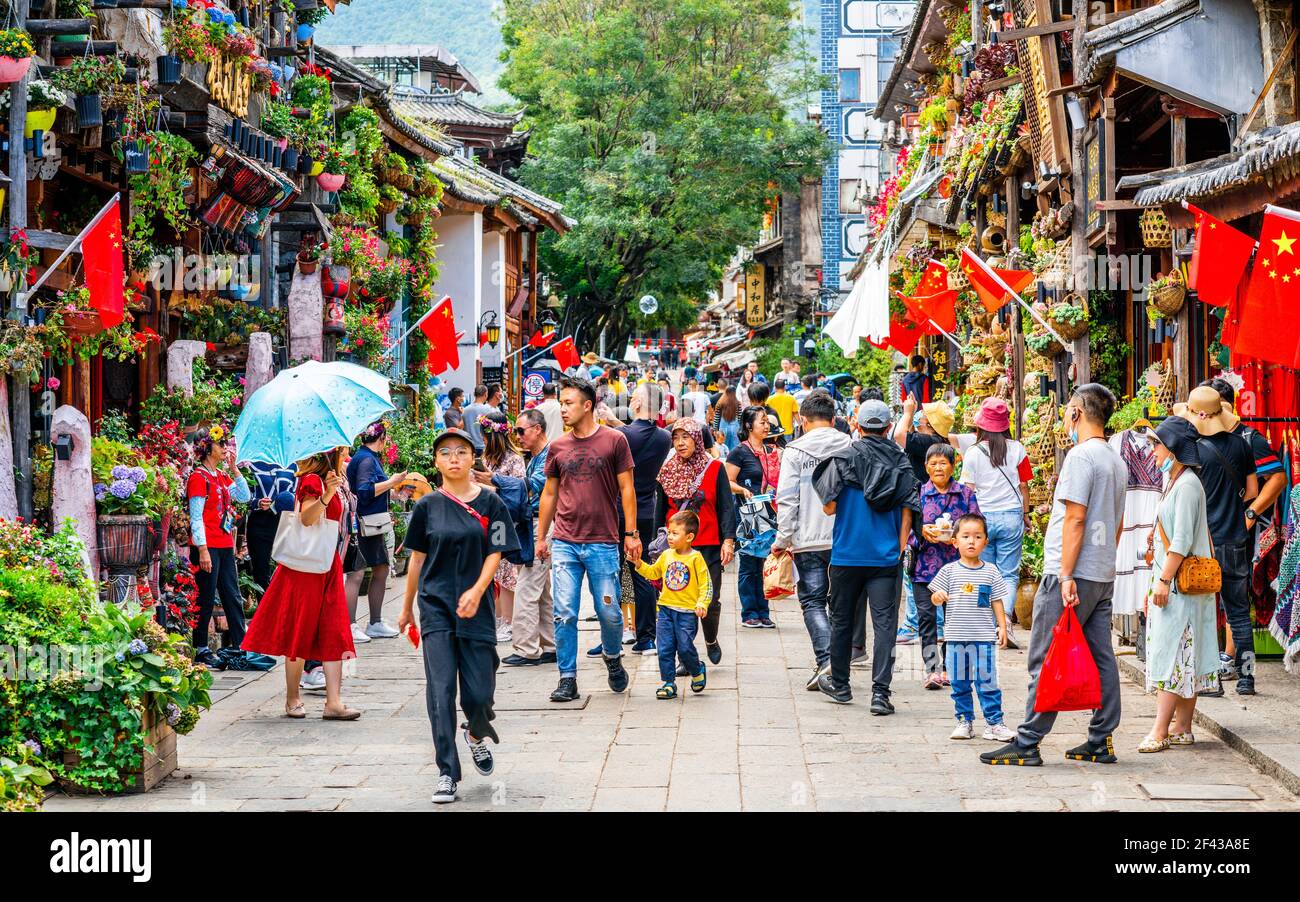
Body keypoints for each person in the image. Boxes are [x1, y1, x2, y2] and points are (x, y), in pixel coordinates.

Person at [982, 383, 1126, 766]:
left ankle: (1027, 741)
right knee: (1101, 655)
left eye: (1067, 410)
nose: (1064, 416)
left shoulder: (1081, 457)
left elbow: (1076, 517)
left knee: (1045, 656)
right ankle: (1101, 738)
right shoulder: (1115, 458)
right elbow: (1116, 521)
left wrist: (1065, 575)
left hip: (1072, 573)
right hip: (1100, 571)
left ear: (1077, 412)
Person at [398, 428, 520, 804]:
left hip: (477, 607)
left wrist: (478, 590)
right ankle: (447, 771)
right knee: (441, 691)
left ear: (473, 459)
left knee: (480, 693)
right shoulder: (426, 506)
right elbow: (416, 558)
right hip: (435, 606)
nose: (454, 458)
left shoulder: (492, 504)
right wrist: (406, 608)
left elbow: (496, 552)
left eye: (462, 451)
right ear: (436, 461)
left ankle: (475, 732)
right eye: (446, 452)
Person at [535, 374, 641, 703]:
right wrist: (542, 536)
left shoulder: (614, 440)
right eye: (562, 403)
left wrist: (631, 534)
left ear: (588, 405)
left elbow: (627, 489)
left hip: (604, 541)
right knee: (564, 612)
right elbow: (549, 493)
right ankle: (567, 677)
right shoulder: (558, 447)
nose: (562, 409)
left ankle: (612, 656)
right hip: (565, 541)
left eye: (568, 403)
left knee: (609, 612)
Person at [812, 400, 919, 712]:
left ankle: (842, 685)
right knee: (885, 625)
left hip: (847, 554)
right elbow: (909, 513)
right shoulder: (900, 460)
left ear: (857, 426)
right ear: (887, 428)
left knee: (842, 620)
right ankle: (880, 694)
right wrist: (898, 548)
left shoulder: (843, 458)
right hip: (885, 557)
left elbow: (829, 507)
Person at [243, 448, 359, 720]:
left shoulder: (334, 478)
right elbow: (307, 519)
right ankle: (293, 697)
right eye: (342, 449)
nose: (347, 451)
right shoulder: (312, 481)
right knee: (299, 630)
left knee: (334, 630)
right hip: (306, 567)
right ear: (330, 453)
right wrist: (328, 494)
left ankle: (334, 701)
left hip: (327, 562)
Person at [1139, 417, 1219, 753]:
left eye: (1157, 444)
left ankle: (1160, 730)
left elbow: (1183, 539)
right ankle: (1183, 727)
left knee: (1172, 655)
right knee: (1185, 655)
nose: (1153, 451)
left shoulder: (1186, 485)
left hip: (1178, 586)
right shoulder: (1176, 482)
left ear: (1174, 449)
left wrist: (1162, 580)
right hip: (1177, 585)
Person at [1193, 380, 1274, 692]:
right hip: (1235, 538)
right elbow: (1253, 491)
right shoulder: (1242, 443)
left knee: (1201, 612)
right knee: (1238, 612)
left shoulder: (1195, 449)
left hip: (1204, 540)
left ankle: (1210, 680)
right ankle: (1247, 677)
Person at [773, 391, 852, 689]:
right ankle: (835, 663)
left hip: (807, 539)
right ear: (833, 420)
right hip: (844, 538)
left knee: (813, 602)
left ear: (803, 421)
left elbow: (787, 498)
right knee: (840, 604)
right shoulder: (851, 446)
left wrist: (783, 538)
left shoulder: (794, 450)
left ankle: (826, 660)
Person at [656, 416, 735, 665]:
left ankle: (710, 639)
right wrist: (657, 543)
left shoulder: (714, 468)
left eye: (686, 437)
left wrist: (728, 540)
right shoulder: (667, 470)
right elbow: (661, 511)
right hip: (677, 548)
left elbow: (725, 507)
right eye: (676, 438)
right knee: (680, 603)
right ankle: (685, 658)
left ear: (698, 440)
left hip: (708, 546)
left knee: (709, 600)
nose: (680, 443)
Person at [930, 513, 1015, 742]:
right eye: (966, 536)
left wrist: (1002, 626)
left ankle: (994, 723)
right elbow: (935, 598)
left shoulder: (991, 571)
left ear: (985, 542)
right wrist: (938, 597)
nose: (971, 541)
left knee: (987, 681)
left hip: (984, 638)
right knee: (959, 682)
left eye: (977, 536)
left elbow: (997, 601)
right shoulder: (949, 571)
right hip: (956, 638)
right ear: (955, 541)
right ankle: (964, 721)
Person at [957, 397, 1032, 648]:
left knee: (985, 573)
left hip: (983, 518)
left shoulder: (973, 453)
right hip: (1012, 515)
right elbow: (1024, 486)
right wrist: (1025, 514)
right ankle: (1006, 624)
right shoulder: (1018, 449)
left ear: (981, 426)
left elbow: (968, 490)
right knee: (1008, 575)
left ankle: (989, 626)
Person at [911, 443, 980, 690]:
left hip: (958, 568)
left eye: (943, 463)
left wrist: (959, 536)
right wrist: (921, 531)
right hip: (924, 568)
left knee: (955, 619)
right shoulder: (917, 495)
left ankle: (949, 668)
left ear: (953, 466)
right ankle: (932, 669)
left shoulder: (965, 495)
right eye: (933, 463)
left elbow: (978, 528)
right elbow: (905, 530)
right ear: (926, 467)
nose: (938, 468)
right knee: (927, 620)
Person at [187, 425, 254, 671]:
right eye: (221, 444)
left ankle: (241, 643)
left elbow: (244, 496)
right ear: (207, 448)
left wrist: (235, 469)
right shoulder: (198, 477)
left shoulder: (220, 476)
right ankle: (201, 648)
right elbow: (196, 517)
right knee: (205, 597)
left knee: (232, 595)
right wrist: (202, 549)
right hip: (208, 546)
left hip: (225, 544)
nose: (225, 448)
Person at [634, 510, 713, 699]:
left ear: (689, 537)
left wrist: (702, 603)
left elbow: (706, 584)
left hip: (687, 613)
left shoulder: (696, 558)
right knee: (665, 648)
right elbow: (654, 573)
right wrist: (639, 564)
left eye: (675, 533)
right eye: (669, 532)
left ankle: (696, 670)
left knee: (685, 647)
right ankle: (668, 682)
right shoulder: (666, 555)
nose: (669, 536)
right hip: (665, 610)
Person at [500, 410, 557, 666]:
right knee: (541, 589)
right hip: (534, 525)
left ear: (537, 429)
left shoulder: (548, 456)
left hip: (542, 527)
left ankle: (526, 649)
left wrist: (492, 480)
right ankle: (550, 644)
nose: (518, 436)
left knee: (527, 587)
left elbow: (533, 486)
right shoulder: (535, 456)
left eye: (521, 431)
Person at [345, 421, 408, 644]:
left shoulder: (366, 457)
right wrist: (391, 482)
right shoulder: (366, 459)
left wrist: (393, 488)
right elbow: (364, 491)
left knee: (380, 568)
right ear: (381, 439)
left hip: (372, 523)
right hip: (363, 524)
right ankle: (350, 625)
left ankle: (375, 622)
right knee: (357, 573)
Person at [621, 384, 673, 655]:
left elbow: (627, 435)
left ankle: (618, 632)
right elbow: (636, 434)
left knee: (614, 572)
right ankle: (646, 636)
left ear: (639, 403)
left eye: (633, 397)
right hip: (648, 510)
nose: (630, 400)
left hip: (621, 512)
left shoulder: (621, 435)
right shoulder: (664, 437)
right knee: (640, 571)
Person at [727, 406, 781, 628]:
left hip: (770, 514)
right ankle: (750, 612)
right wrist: (742, 490)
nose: (767, 426)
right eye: (762, 422)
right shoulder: (739, 452)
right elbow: (727, 482)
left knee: (765, 563)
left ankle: (764, 611)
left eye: (768, 422)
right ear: (749, 426)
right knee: (749, 565)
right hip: (748, 515)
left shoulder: (771, 451)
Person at [476, 411, 526, 644]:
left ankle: (509, 621)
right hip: (485, 519)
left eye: (484, 434)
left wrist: (491, 487)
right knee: (493, 570)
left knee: (506, 571)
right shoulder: (485, 458)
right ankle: (497, 618)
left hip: (506, 520)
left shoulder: (514, 459)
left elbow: (518, 492)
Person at [242, 459, 296, 593]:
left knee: (288, 569)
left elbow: (298, 495)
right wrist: (257, 502)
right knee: (261, 570)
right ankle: (264, 610)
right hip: (259, 521)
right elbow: (242, 497)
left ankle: (284, 608)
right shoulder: (250, 464)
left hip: (285, 521)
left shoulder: (292, 464)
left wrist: (286, 501)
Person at [462, 385, 497, 452]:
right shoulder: (489, 410)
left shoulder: (465, 410)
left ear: (474, 394)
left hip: (469, 446)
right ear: (486, 394)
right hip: (484, 446)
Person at [712, 383, 741, 452]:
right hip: (735, 427)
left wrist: (715, 429)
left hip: (723, 426)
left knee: (723, 446)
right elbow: (740, 417)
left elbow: (716, 417)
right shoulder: (738, 403)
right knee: (734, 447)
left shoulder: (721, 402)